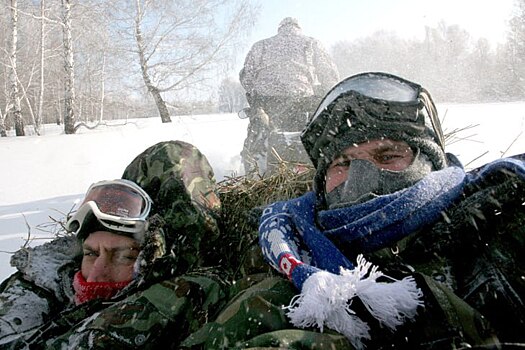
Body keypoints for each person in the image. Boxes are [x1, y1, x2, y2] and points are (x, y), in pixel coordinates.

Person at [184, 72, 525, 349]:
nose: (359, 179)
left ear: (428, 164)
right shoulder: (288, 242)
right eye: (342, 162)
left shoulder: (498, 218)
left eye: (387, 156)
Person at [0, 140, 228, 348]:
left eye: (123, 256)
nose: (95, 275)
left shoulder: (170, 301)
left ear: (155, 260)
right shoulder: (44, 279)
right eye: (90, 253)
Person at [239, 17, 340, 175]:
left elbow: (246, 77)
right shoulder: (311, 43)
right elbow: (329, 75)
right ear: (298, 28)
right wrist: (324, 94)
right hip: (302, 101)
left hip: (267, 104)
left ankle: (254, 176)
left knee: (257, 142)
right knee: (312, 139)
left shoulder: (261, 45)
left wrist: (256, 95)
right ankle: (311, 173)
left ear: (280, 29)